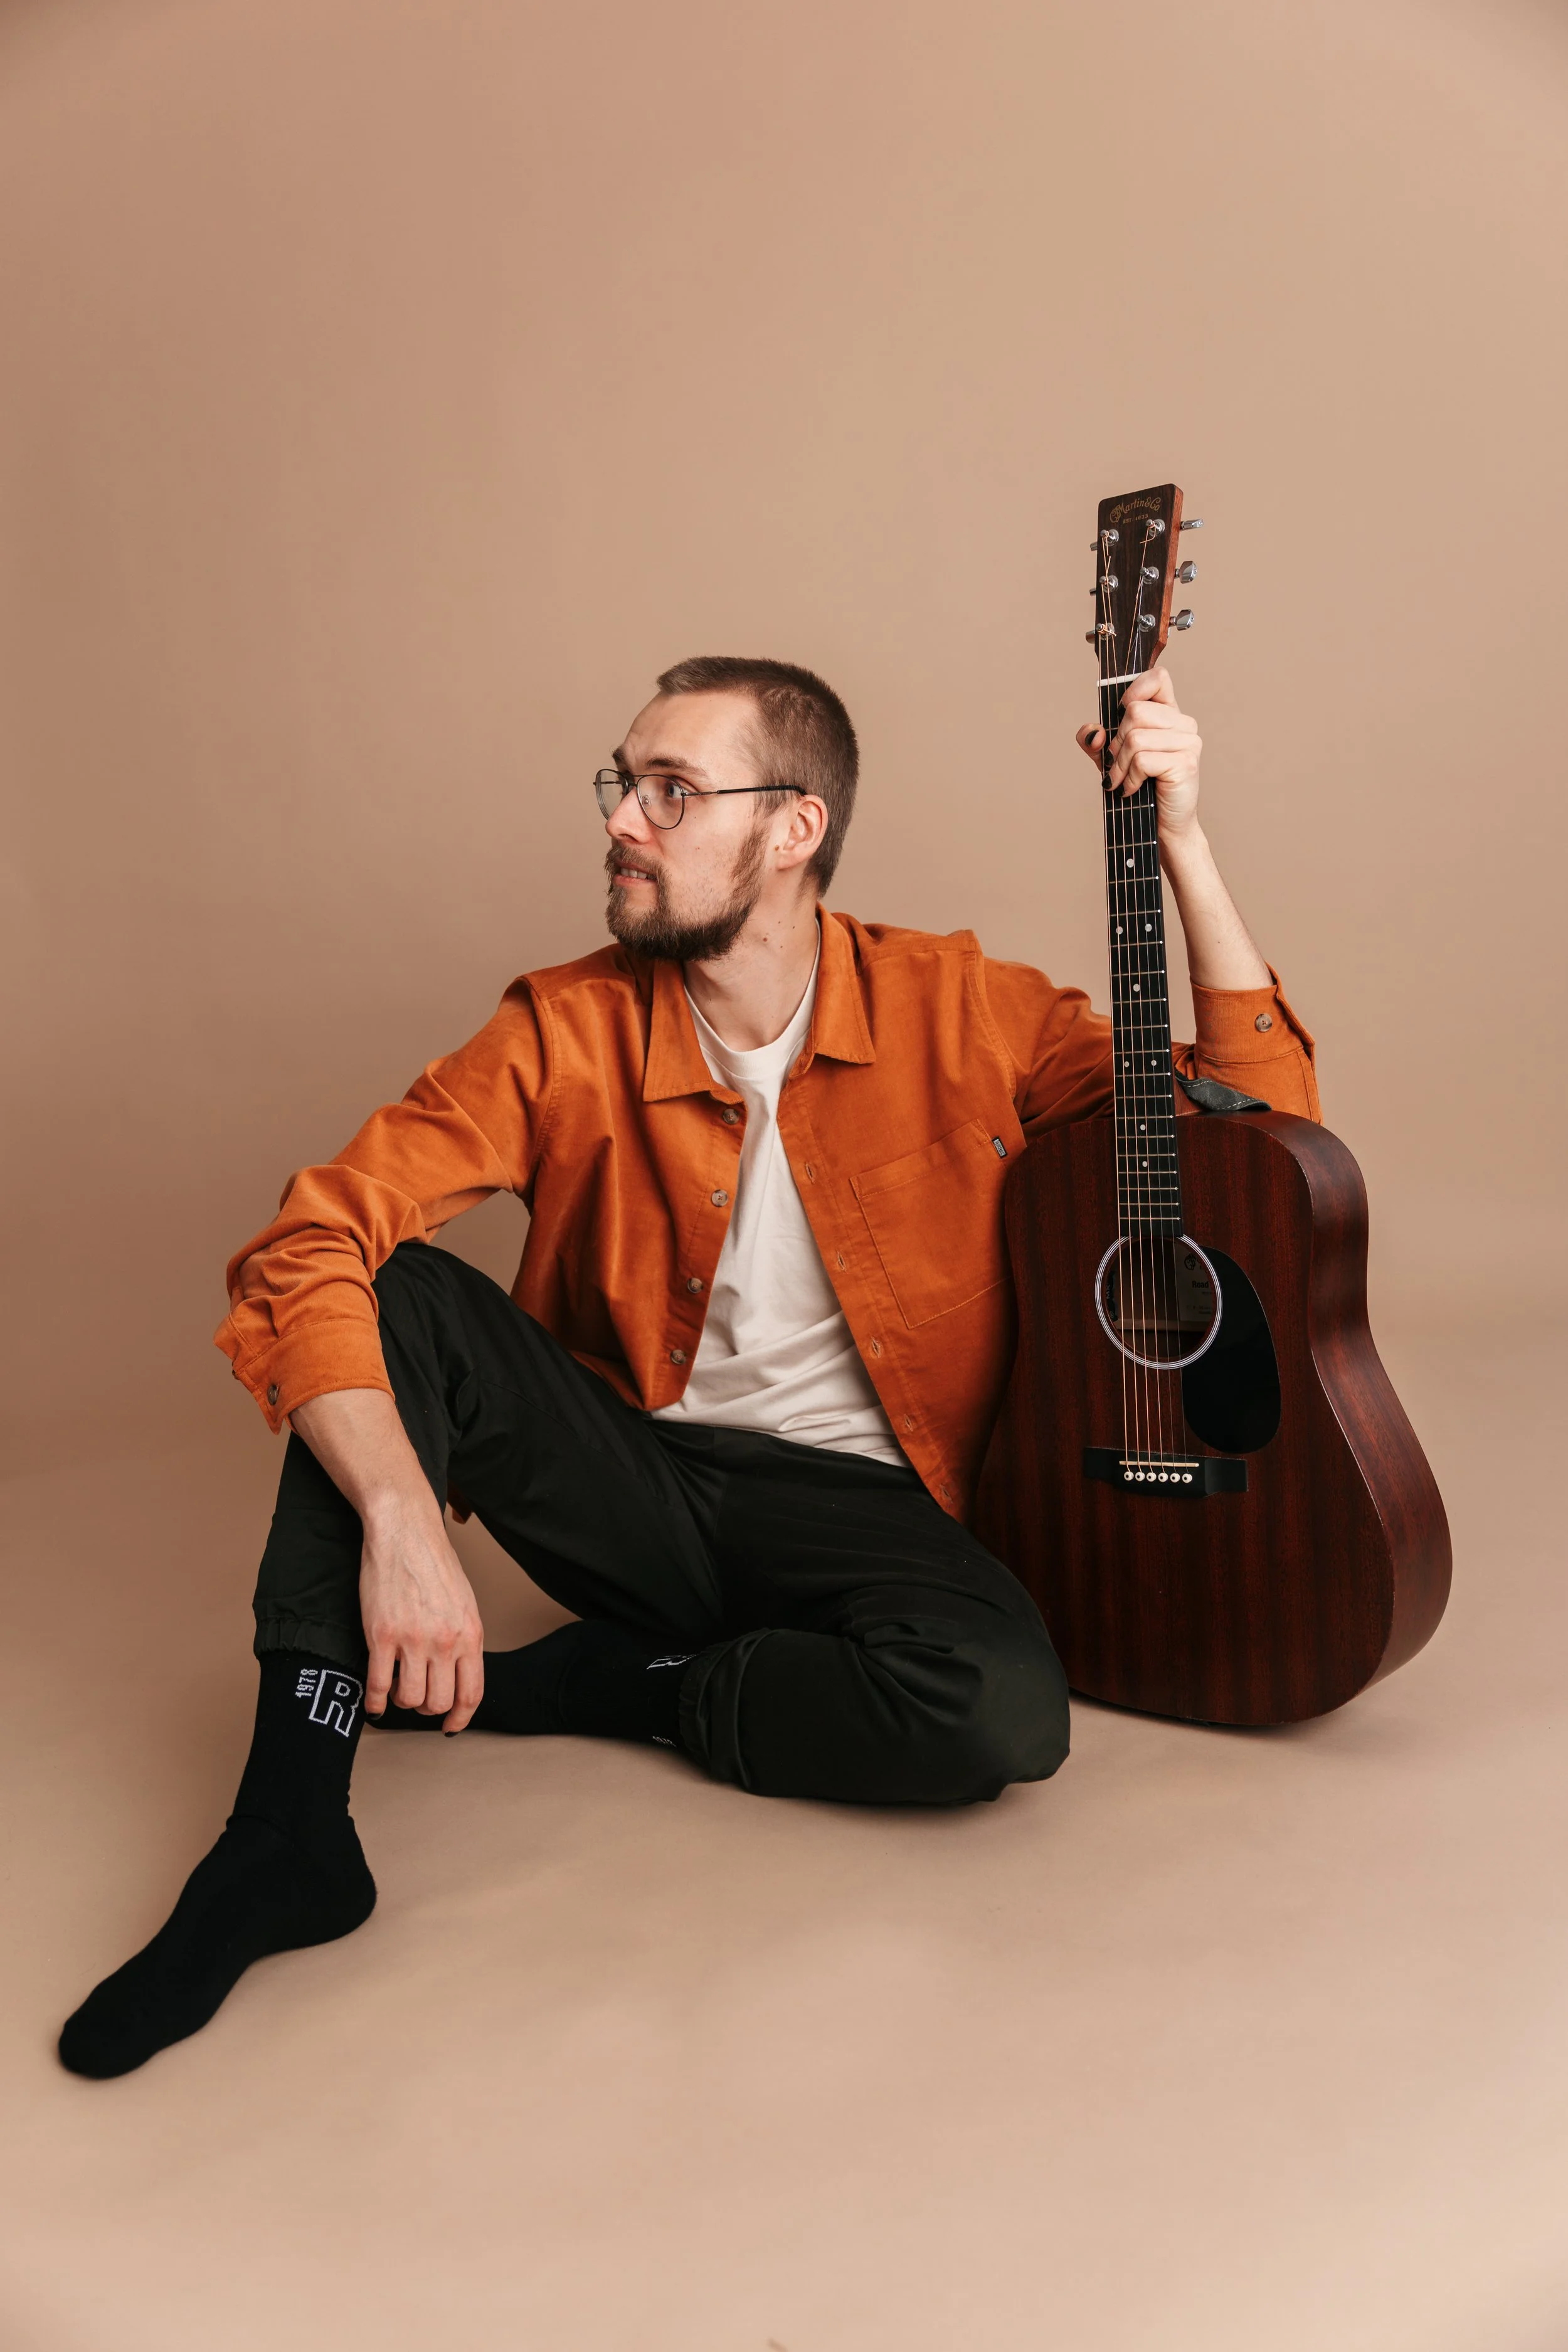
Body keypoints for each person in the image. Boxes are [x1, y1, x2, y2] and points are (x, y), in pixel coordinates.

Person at [58, 654, 1318, 2077]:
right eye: (623, 782)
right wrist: (405, 1521)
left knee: (1000, 1711)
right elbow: (310, 1243)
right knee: (390, 1288)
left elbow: (1257, 1145)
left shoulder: (959, 1005)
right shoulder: (562, 1029)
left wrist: (1182, 845)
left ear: (793, 828)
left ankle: (630, 1686)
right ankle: (286, 1828)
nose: (621, 820)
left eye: (671, 791)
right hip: (637, 1478)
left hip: (877, 1506)